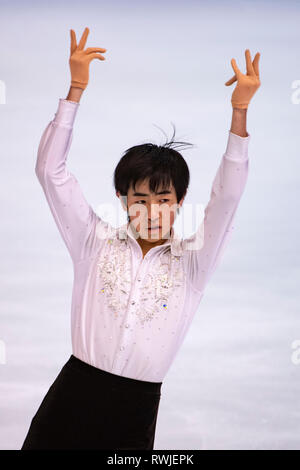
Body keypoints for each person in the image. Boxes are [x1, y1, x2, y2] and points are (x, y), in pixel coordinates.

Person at [21, 26, 261, 450]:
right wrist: (75, 90)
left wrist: (238, 116)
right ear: (122, 198)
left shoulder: (194, 263)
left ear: (182, 200)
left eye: (164, 198)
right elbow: (50, 172)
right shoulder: (92, 242)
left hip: (134, 413)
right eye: (141, 199)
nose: (152, 211)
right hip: (71, 399)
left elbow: (228, 197)